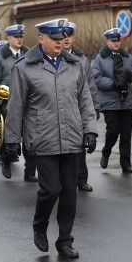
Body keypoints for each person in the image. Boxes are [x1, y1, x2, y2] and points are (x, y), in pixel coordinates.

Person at [5, 18, 98, 259]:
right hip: (42, 139)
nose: (60, 43)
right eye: (55, 39)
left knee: (69, 192)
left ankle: (65, 240)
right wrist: (12, 139)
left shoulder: (75, 65)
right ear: (40, 39)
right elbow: (16, 106)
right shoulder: (23, 68)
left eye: (62, 39)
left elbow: (84, 100)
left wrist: (90, 130)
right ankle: (40, 225)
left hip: (71, 139)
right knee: (50, 190)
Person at [0, 24, 36, 181]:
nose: (19, 39)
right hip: (7, 102)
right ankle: (6, 162)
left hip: (27, 101)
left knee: (30, 137)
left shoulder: (29, 54)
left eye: (21, 37)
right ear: (8, 39)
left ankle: (30, 172)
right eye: (16, 37)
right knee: (8, 136)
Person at [91, 28, 132, 174]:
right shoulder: (99, 58)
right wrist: (114, 83)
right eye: (113, 41)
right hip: (109, 101)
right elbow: (96, 78)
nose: (116, 43)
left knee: (126, 134)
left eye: (118, 40)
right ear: (107, 41)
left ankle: (126, 164)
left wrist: (128, 75)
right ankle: (106, 152)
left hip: (126, 100)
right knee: (113, 131)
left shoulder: (127, 57)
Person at [60, 22, 99, 192]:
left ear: (74, 37)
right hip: (61, 106)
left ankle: (81, 179)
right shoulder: (56, 57)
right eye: (63, 36)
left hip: (79, 108)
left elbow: (90, 85)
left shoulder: (83, 59)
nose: (66, 39)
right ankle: (62, 180)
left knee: (81, 144)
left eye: (69, 36)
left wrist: (95, 107)